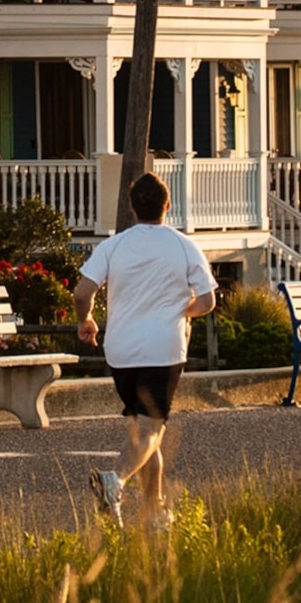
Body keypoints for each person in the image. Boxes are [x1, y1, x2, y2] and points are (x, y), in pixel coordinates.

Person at [74, 171, 216, 527]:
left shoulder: (113, 246)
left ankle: (154, 512)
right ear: (167, 206)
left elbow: (81, 293)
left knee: (143, 432)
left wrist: (86, 320)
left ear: (132, 208)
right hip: (163, 349)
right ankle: (115, 480)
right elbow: (208, 301)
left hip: (120, 351)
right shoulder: (184, 245)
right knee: (152, 431)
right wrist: (184, 310)